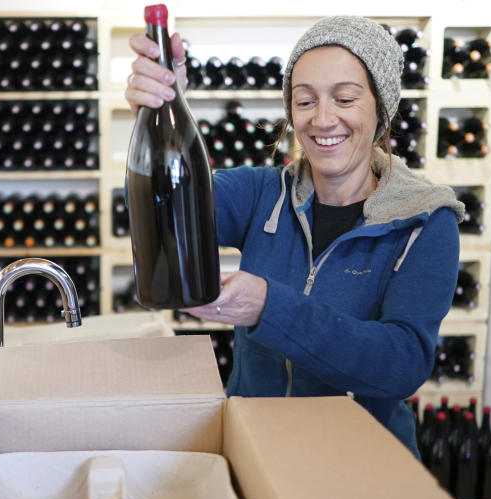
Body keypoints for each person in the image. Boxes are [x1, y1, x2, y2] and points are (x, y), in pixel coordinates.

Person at [125, 16, 463, 458]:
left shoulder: (425, 221)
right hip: (253, 446)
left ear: (382, 107)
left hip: (363, 461)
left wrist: (270, 307)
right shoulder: (259, 193)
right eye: (304, 102)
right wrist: (159, 117)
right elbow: (165, 217)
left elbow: (401, 365)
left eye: (344, 98)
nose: (323, 120)